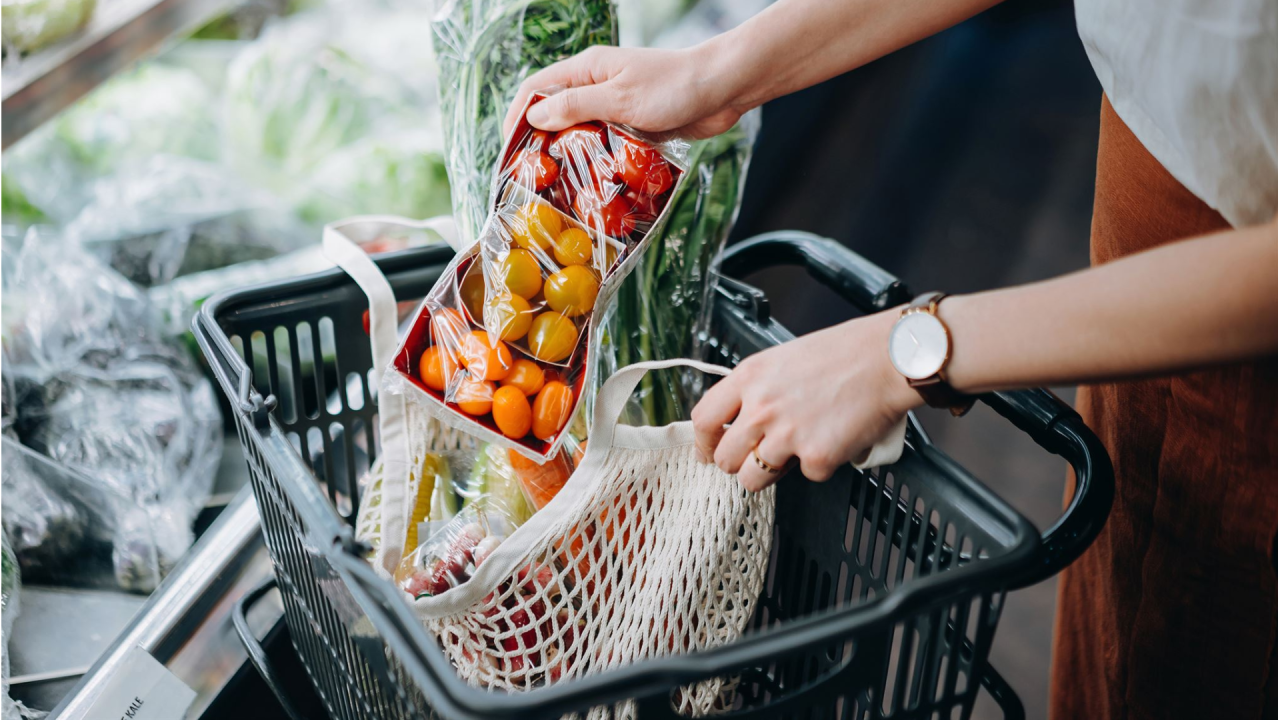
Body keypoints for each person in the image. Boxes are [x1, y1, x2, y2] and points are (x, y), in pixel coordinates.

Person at [504, 0, 1278, 715]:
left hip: (1237, 317)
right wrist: (717, 76)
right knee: (1125, 638)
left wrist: (905, 352)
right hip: (1148, 186)